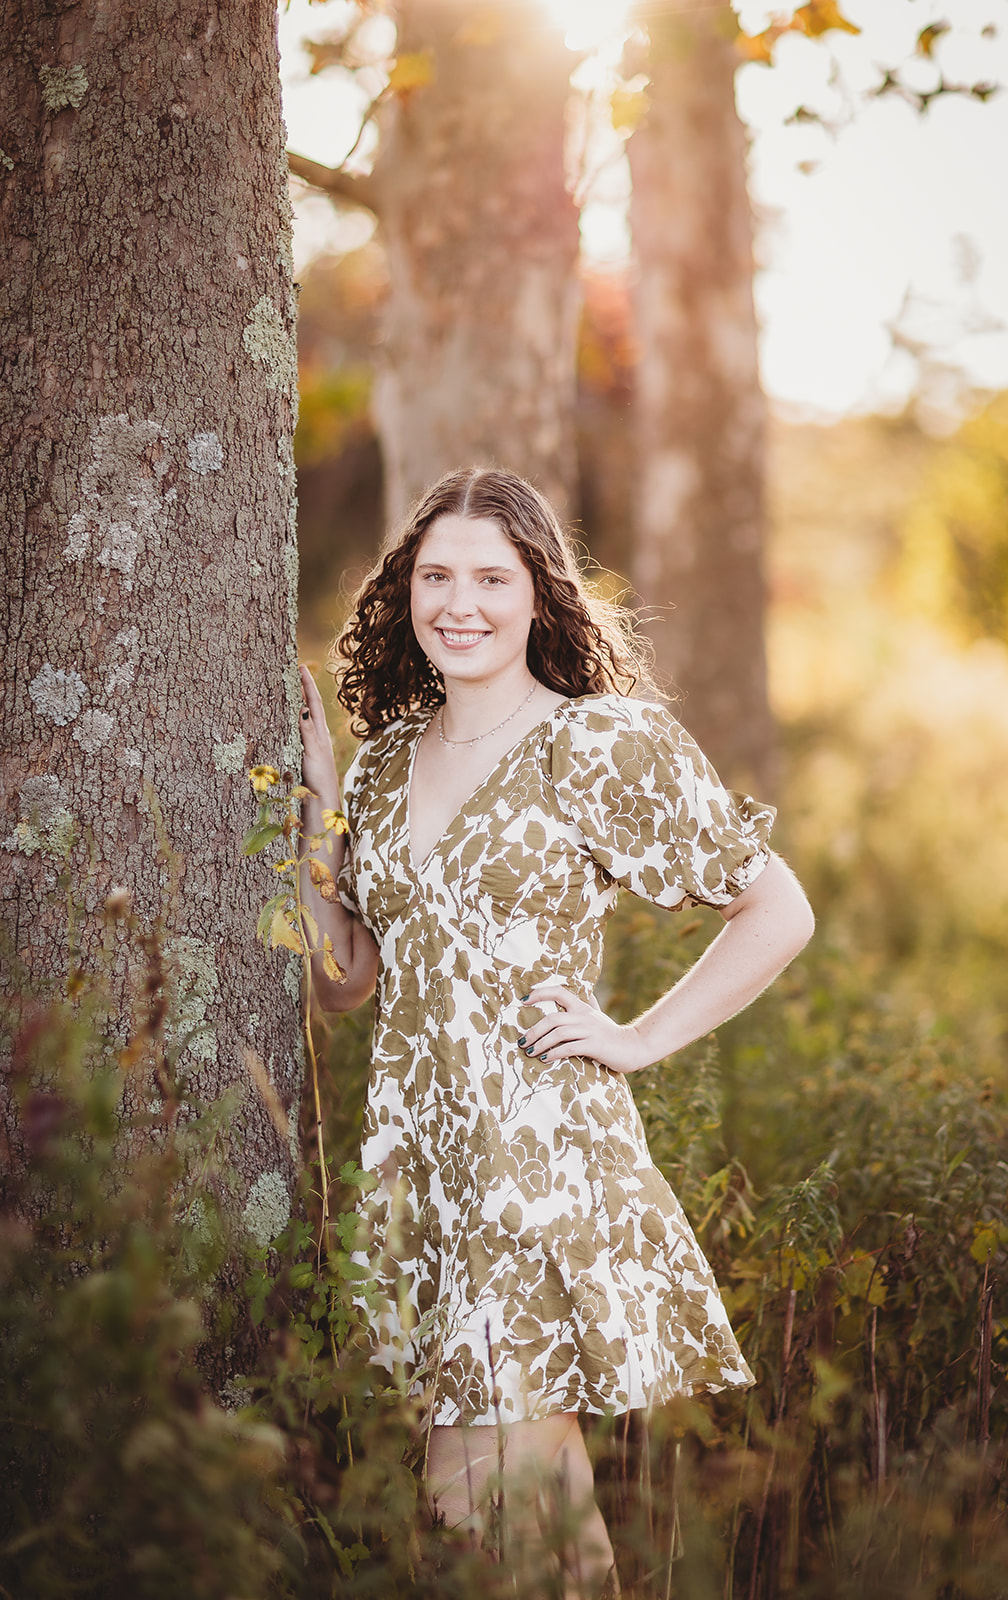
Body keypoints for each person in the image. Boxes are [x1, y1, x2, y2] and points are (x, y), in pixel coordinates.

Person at [298, 467, 814, 1595]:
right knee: (488, 1512)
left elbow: (775, 907)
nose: (460, 603)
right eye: (436, 575)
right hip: (423, 1175)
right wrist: (318, 807)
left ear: (541, 595)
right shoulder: (385, 761)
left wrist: (636, 1038)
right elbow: (344, 983)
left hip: (535, 1166)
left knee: (500, 1498)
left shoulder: (597, 744)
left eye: (492, 576)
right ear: (406, 591)